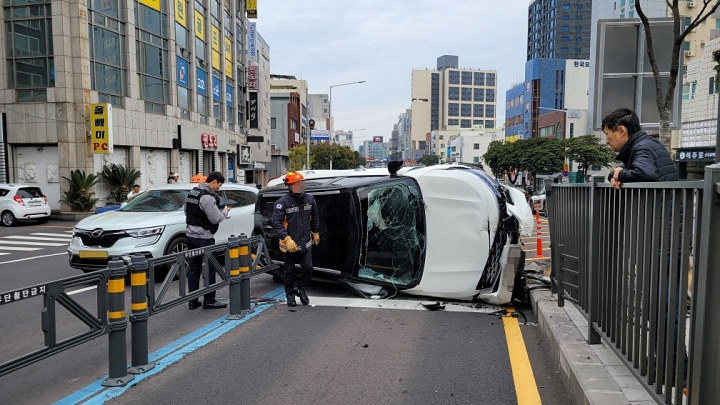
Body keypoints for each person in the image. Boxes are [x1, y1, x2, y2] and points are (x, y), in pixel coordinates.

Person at [185, 171, 232, 310]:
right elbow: (215, 218)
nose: (219, 188)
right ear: (214, 182)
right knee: (209, 269)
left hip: (190, 236)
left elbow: (186, 211)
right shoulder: (207, 198)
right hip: (204, 237)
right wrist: (225, 211)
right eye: (219, 185)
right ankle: (209, 300)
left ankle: (193, 300)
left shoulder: (191, 193)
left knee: (193, 268)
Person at [271, 172, 320, 307]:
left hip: (305, 242)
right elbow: (276, 222)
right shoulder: (282, 202)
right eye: (296, 184)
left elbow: (315, 215)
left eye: (300, 183)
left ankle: (301, 288)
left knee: (308, 268)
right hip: (289, 244)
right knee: (289, 271)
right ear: (289, 186)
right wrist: (286, 238)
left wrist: (315, 231)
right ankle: (290, 294)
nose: (299, 186)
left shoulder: (310, 199)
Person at [602, 107, 678, 190]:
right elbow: (623, 169)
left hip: (657, 198)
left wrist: (621, 175)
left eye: (607, 134)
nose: (607, 141)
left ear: (621, 131)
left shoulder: (641, 148)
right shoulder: (646, 143)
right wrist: (614, 176)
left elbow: (645, 173)